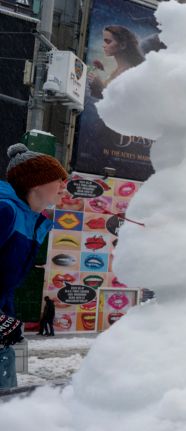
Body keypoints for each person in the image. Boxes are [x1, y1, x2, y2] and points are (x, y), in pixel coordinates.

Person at [1, 143, 68, 389]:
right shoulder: (5, 210)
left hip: (4, 322)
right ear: (36, 183)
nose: (64, 185)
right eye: (58, 179)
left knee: (8, 396)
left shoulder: (30, 219)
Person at [88, 25, 145, 99]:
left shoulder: (129, 72)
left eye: (108, 41)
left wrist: (100, 87)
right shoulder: (118, 70)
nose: (103, 45)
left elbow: (122, 101)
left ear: (122, 45)